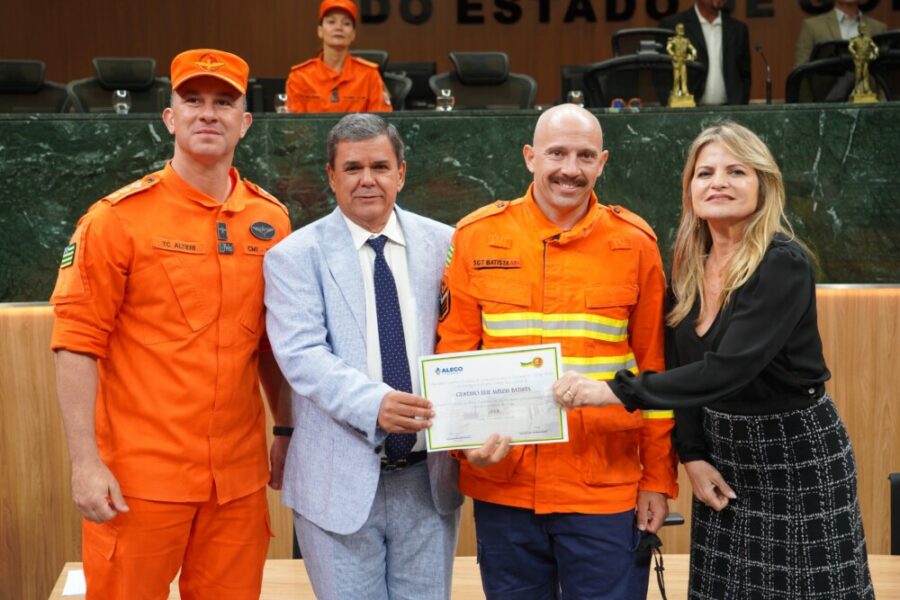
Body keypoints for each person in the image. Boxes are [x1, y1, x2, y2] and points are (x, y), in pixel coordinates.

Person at [553, 121, 874, 599]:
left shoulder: (782, 261)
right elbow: (683, 370)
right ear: (690, 190)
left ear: (763, 185)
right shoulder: (685, 266)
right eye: (705, 173)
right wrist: (694, 454)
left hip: (795, 456)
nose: (718, 182)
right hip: (723, 456)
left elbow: (726, 370)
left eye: (736, 171)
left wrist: (612, 390)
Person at [50, 48, 292, 599]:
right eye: (193, 100)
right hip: (139, 481)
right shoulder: (117, 220)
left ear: (245, 123)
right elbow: (75, 344)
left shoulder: (271, 220)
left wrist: (286, 429)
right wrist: (85, 464)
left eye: (225, 102)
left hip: (236, 483)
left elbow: (274, 347)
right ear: (170, 116)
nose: (209, 113)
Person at [436, 104, 678, 599]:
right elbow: (452, 360)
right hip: (504, 482)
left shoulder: (635, 244)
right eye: (557, 153)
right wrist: (465, 448)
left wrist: (657, 478)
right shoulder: (475, 237)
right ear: (530, 157)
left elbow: (657, 373)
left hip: (604, 488)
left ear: (603, 162)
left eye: (585, 155)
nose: (571, 168)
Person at [263, 113, 462, 599]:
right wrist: (375, 404)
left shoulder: (448, 244)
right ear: (331, 176)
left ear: (401, 173)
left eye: (379, 165)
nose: (367, 179)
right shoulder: (293, 256)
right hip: (337, 482)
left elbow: (463, 342)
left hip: (427, 483)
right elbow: (302, 355)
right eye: (352, 168)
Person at [286, 0, 393, 113]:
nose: (338, 27)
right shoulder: (300, 77)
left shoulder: (369, 75)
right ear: (320, 31)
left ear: (353, 34)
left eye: (346, 23)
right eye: (331, 22)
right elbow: (293, 126)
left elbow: (382, 123)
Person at [660, 0, 751, 105]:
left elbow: (745, 75)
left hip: (729, 113)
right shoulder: (673, 25)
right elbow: (661, 75)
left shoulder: (738, 29)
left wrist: (740, 106)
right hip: (688, 112)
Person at [795, 0, 887, 65]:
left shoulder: (879, 28)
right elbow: (802, 73)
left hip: (868, 91)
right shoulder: (812, 26)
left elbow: (885, 74)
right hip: (828, 92)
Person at [668, 23, 699, 99]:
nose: (681, 30)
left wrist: (694, 53)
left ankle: (685, 92)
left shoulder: (686, 41)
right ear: (676, 30)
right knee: (676, 78)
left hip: (683, 60)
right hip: (676, 61)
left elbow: (692, 48)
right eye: (679, 29)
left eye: (682, 29)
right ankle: (676, 93)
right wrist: (673, 55)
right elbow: (668, 48)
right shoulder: (673, 40)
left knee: (684, 78)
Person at [849, 20, 880, 96]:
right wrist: (854, 53)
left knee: (866, 75)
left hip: (866, 59)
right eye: (861, 28)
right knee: (858, 75)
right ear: (858, 29)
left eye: (863, 28)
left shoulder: (868, 39)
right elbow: (850, 47)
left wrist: (874, 53)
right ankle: (857, 89)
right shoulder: (855, 39)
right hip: (858, 59)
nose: (862, 30)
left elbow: (875, 47)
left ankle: (867, 89)